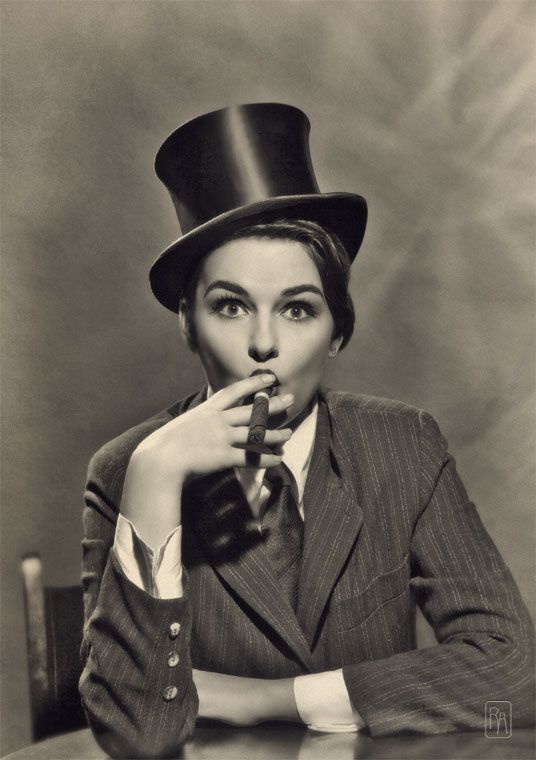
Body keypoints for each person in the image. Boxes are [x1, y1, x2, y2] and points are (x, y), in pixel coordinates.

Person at [79, 104, 535, 759]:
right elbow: (137, 735)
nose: (263, 344)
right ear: (186, 324)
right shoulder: (126, 468)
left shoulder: (402, 445)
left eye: (297, 309)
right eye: (230, 306)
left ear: (337, 332)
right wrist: (154, 478)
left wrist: (269, 699)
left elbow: (515, 677)